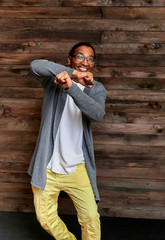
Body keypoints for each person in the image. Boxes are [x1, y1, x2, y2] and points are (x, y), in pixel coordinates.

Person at [28, 42, 106, 240]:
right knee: (45, 217)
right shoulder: (52, 81)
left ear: (93, 65)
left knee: (90, 218)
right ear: (69, 59)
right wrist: (72, 74)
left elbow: (96, 114)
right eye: (80, 56)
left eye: (89, 59)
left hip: (77, 167)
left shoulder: (96, 88)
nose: (84, 62)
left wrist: (72, 87)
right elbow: (35, 65)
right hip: (47, 165)